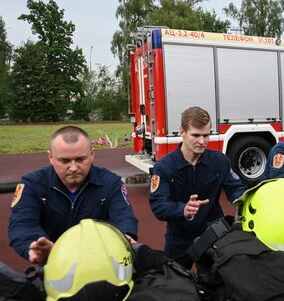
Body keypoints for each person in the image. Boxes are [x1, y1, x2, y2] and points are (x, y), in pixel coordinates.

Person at [8, 126, 138, 264]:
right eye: (64, 161)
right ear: (50, 157)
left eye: (81, 159)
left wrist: (123, 237)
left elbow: (124, 217)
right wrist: (35, 247)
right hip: (53, 263)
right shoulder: (32, 184)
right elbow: (22, 223)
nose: (74, 168)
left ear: (92, 154)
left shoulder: (111, 183)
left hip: (100, 262)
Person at [149, 106, 247, 267]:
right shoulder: (164, 167)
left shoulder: (220, 161)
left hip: (213, 232)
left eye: (206, 135)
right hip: (179, 237)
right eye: (195, 135)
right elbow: (158, 205)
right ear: (182, 132)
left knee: (217, 284)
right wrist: (183, 210)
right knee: (174, 283)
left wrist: (240, 200)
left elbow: (235, 188)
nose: (202, 141)